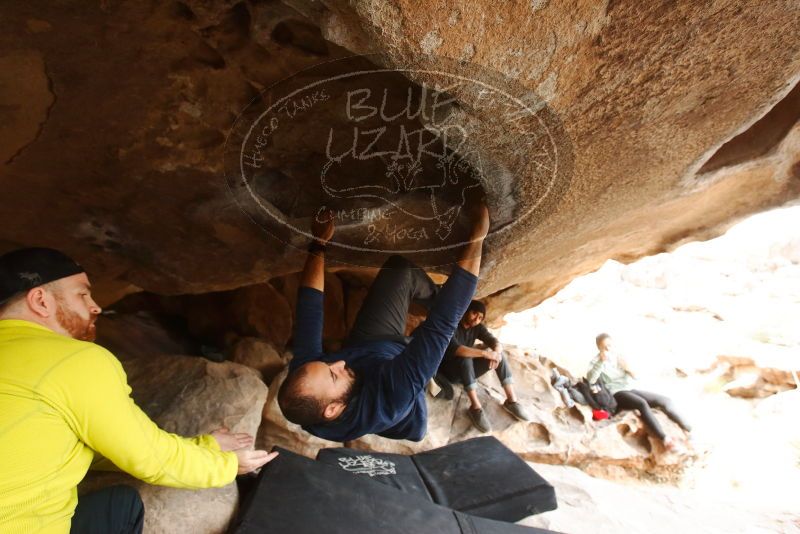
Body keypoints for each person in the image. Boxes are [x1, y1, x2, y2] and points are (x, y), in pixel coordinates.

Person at [0, 248, 278, 534]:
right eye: (82, 294)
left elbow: (79, 444)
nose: (96, 306)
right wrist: (227, 466)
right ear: (40, 301)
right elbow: (151, 459)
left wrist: (203, 446)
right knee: (124, 508)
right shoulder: (73, 360)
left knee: (119, 504)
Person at [278, 202, 489, 442]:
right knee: (435, 336)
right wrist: (478, 237)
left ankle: (438, 300)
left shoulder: (305, 388)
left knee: (399, 269)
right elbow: (442, 323)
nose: (338, 361)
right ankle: (431, 376)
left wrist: (319, 243)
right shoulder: (389, 397)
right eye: (334, 375)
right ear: (333, 409)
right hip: (397, 380)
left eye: (327, 365)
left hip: (370, 345)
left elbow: (309, 311)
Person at [431, 301, 531, 432]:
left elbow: (494, 341)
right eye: (474, 314)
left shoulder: (477, 327)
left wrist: (496, 353)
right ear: (467, 311)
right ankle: (475, 408)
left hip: (466, 372)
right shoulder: (452, 324)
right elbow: (458, 350)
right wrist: (485, 353)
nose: (476, 319)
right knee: (466, 358)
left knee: (499, 357)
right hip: (449, 371)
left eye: (480, 318)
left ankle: (511, 401)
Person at [587, 333, 691, 450]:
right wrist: (600, 362)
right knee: (641, 404)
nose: (608, 349)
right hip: (616, 393)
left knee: (665, 401)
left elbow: (635, 376)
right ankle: (665, 439)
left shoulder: (619, 357)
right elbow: (591, 378)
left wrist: (628, 368)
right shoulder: (596, 361)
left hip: (630, 389)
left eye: (610, 345)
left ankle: (688, 429)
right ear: (599, 348)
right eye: (605, 347)